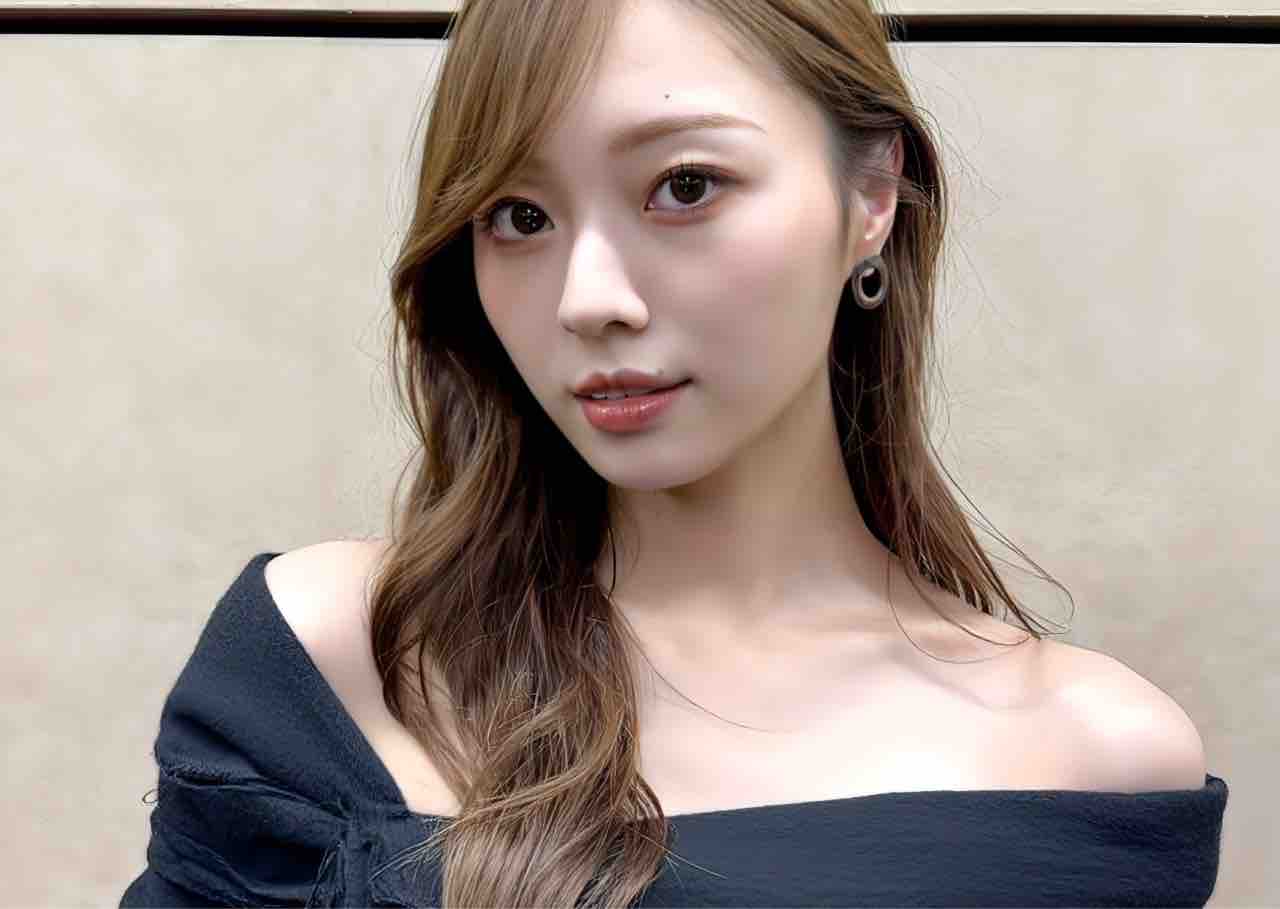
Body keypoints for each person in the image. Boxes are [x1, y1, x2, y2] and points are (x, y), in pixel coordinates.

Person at [120, 0, 1228, 906]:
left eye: (684, 186)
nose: (588, 299)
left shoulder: (1088, 759)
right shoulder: (334, 662)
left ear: (871, 197)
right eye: (518, 216)